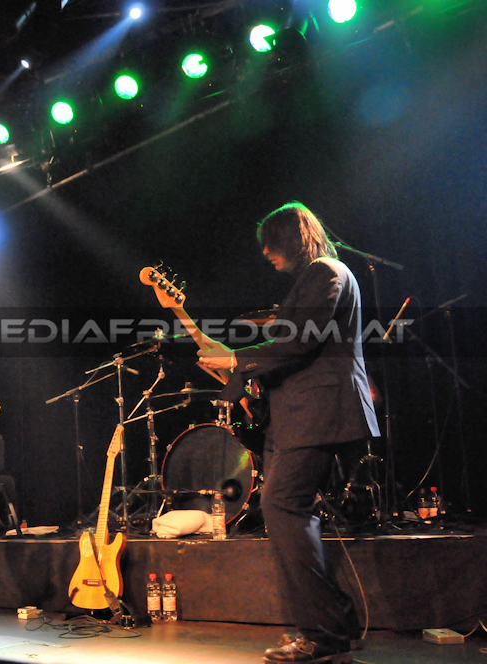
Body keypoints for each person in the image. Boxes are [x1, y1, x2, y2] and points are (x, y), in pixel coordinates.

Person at [197, 203, 379, 664]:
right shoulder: (316, 278)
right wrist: (244, 381)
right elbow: (293, 349)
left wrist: (236, 359)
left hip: (319, 413)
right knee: (283, 508)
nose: (265, 253)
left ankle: (325, 632)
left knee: (283, 506)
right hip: (300, 415)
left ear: (294, 239)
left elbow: (300, 340)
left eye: (272, 244)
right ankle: (333, 626)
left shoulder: (326, 272)